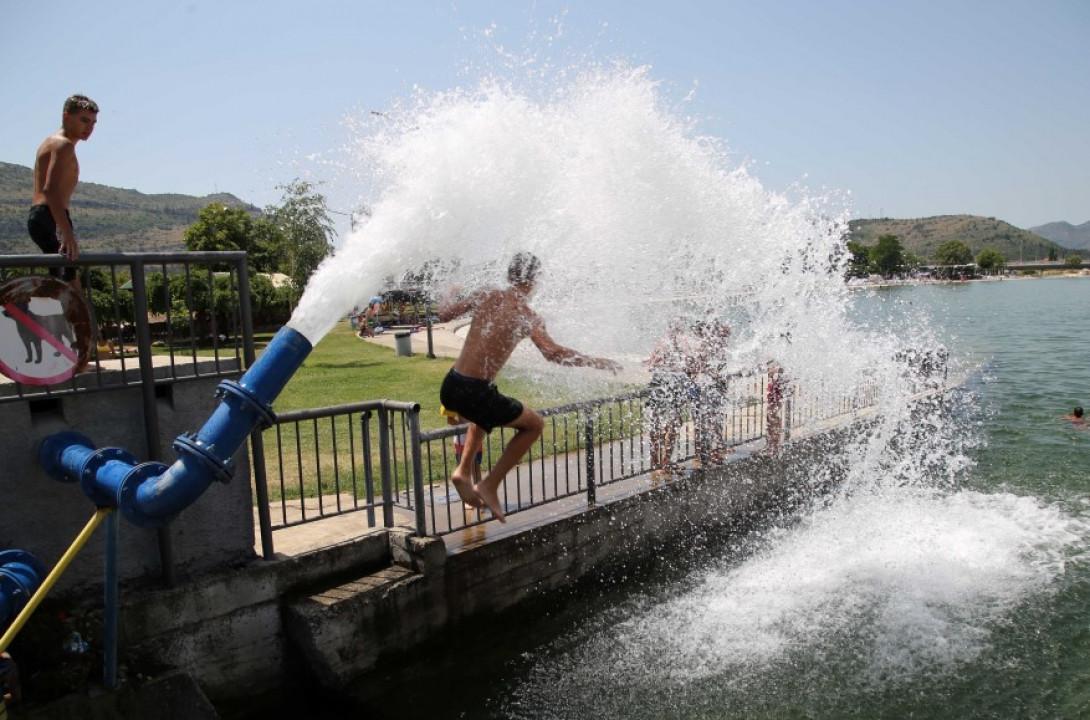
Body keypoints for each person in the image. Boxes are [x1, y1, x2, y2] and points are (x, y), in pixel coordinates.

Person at [437, 252, 620, 521]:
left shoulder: (487, 294)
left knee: (483, 415)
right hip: (475, 391)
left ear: (509, 275)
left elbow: (444, 314)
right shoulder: (527, 316)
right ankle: (489, 484)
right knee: (534, 425)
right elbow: (553, 353)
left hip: (451, 384)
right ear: (533, 281)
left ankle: (463, 472)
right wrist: (596, 362)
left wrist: (447, 292)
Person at [29, 94, 99, 288]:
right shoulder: (63, 144)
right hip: (49, 215)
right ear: (66, 116)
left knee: (67, 284)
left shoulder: (55, 143)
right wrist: (67, 233)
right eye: (84, 120)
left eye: (93, 123)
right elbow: (50, 190)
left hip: (49, 216)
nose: (89, 128)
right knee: (70, 289)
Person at [440, 405, 483, 489]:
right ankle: (467, 498)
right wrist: (467, 427)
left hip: (476, 438)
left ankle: (479, 496)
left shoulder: (477, 395)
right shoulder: (455, 397)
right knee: (463, 470)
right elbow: (450, 420)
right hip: (461, 441)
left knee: (476, 468)